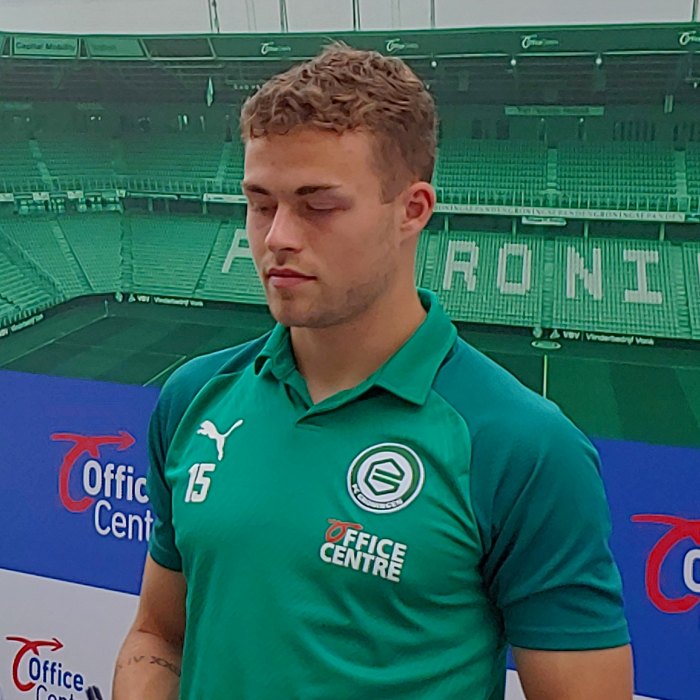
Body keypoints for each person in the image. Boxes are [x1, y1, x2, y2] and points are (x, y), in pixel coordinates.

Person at [113, 44, 633, 699]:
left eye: (318, 205)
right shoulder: (193, 398)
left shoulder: (522, 445)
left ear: (412, 210)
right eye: (261, 203)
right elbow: (159, 634)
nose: (277, 237)